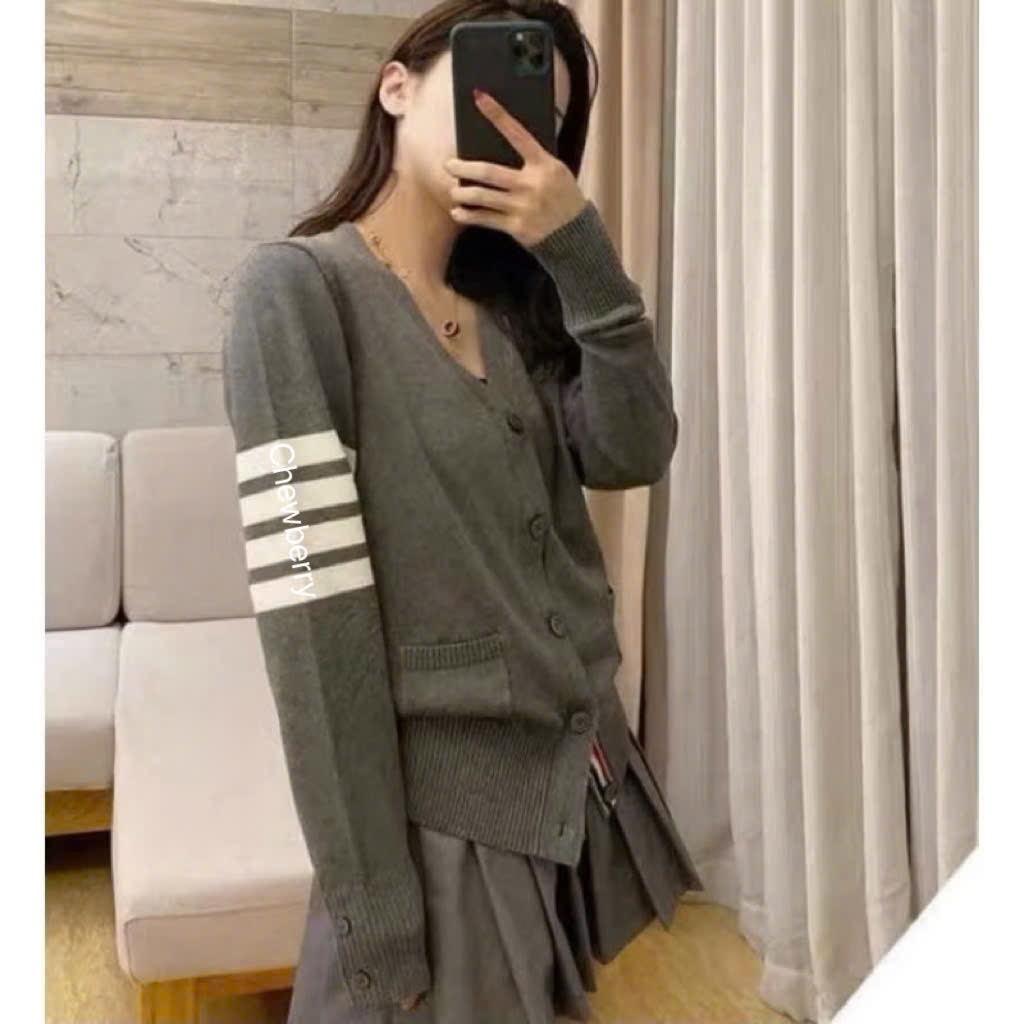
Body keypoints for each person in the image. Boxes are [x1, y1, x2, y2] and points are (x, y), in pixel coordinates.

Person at [222, 1, 703, 1021]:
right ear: (395, 88)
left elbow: (633, 451)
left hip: (569, 789)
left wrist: (581, 254)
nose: (515, 128)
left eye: (542, 118)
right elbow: (316, 635)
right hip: (445, 834)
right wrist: (374, 908)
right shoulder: (296, 296)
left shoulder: (517, 309)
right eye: (490, 92)